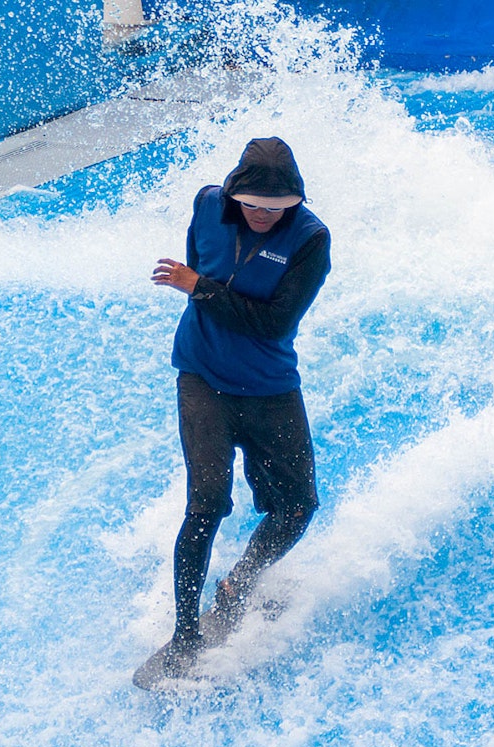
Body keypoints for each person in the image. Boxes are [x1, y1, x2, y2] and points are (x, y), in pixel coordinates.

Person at [148, 136, 331, 679]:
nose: (262, 216)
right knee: (205, 506)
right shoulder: (208, 204)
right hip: (202, 378)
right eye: (253, 205)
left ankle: (238, 584)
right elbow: (204, 257)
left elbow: (273, 321)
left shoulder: (310, 239)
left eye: (276, 210)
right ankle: (184, 634)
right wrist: (201, 285)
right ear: (233, 194)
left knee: (298, 506)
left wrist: (199, 288)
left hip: (270, 386)